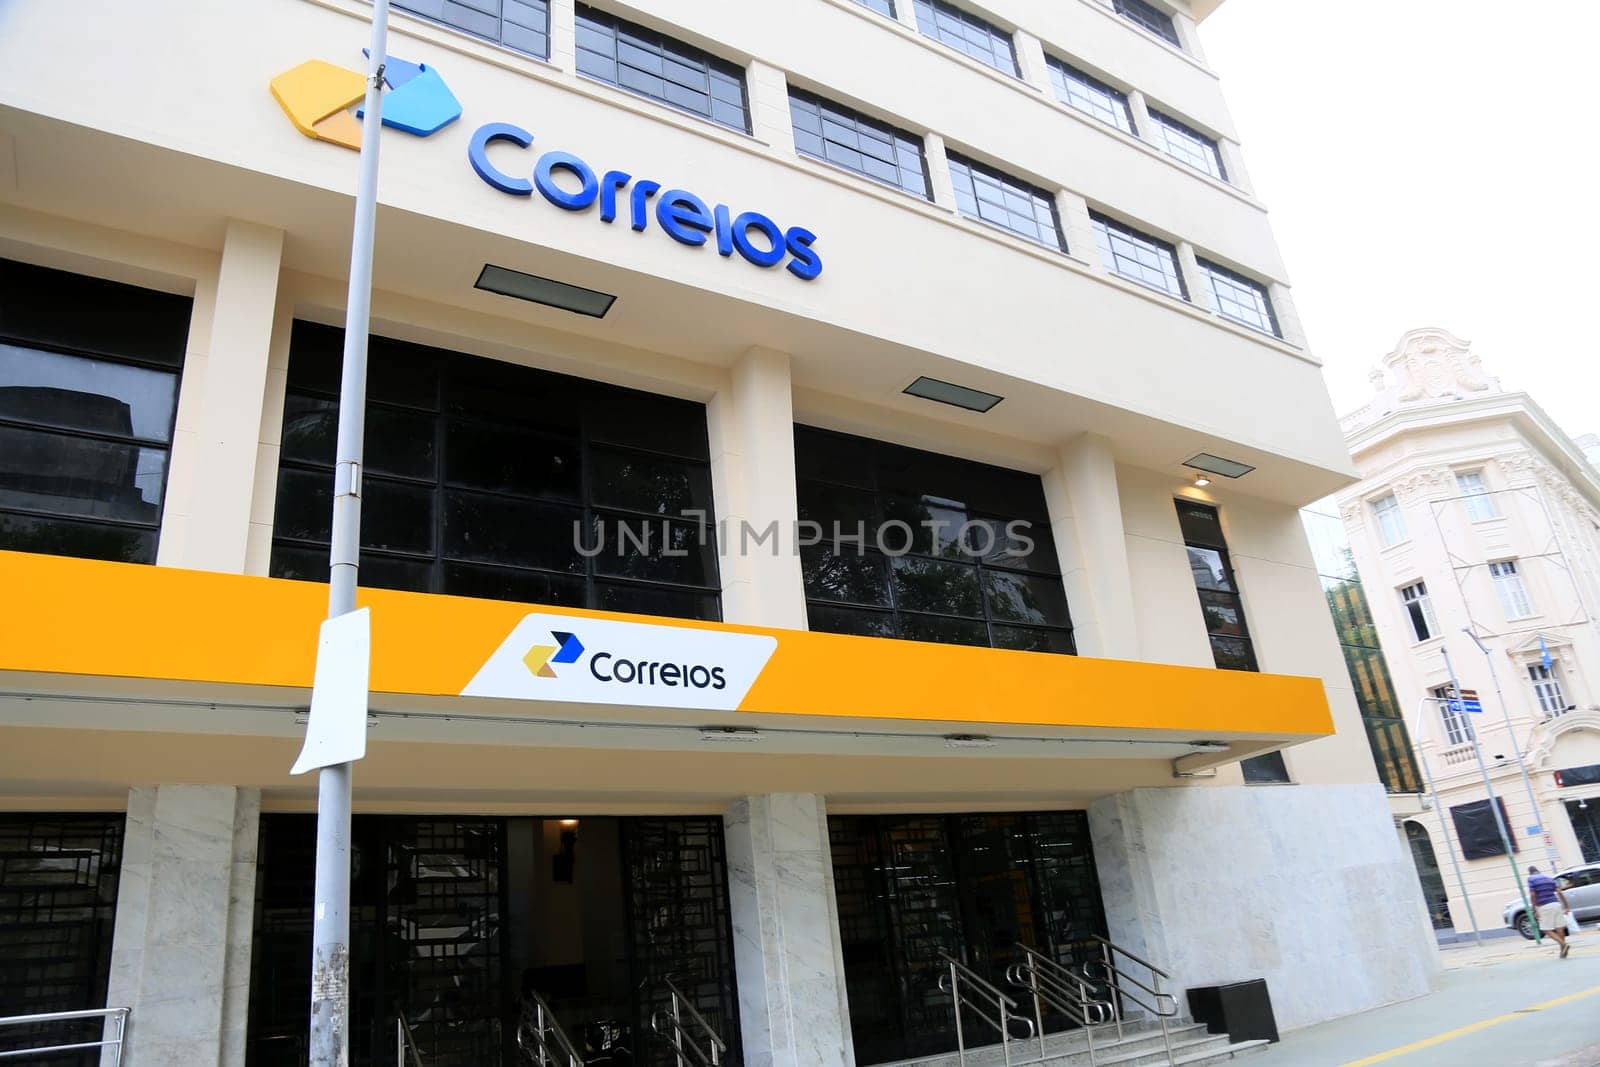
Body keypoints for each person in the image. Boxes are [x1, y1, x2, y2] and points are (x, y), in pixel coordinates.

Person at [1528, 866, 1573, 958]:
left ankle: (1563, 944)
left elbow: (1533, 895)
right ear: (1538, 871)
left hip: (1544, 906)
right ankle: (1562, 952)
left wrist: (1534, 908)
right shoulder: (1549, 878)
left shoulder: (1531, 879)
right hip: (1556, 904)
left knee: (1546, 929)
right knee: (1559, 928)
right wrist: (1567, 907)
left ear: (1530, 872)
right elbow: (1559, 892)